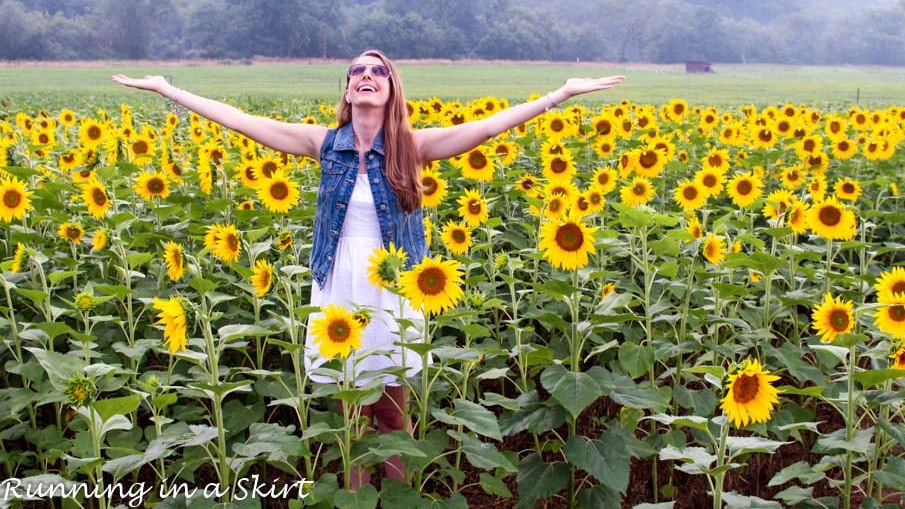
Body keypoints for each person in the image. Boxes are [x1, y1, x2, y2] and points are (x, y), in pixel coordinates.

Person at [112, 50, 623, 486]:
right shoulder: (324, 143)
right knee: (349, 410)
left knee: (391, 411)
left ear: (391, 88)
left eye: (377, 71)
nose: (365, 75)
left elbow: (487, 128)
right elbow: (243, 121)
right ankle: (355, 494)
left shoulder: (412, 147)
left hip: (391, 287)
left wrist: (560, 95)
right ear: (348, 90)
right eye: (357, 70)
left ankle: (397, 493)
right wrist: (167, 91)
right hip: (338, 282)